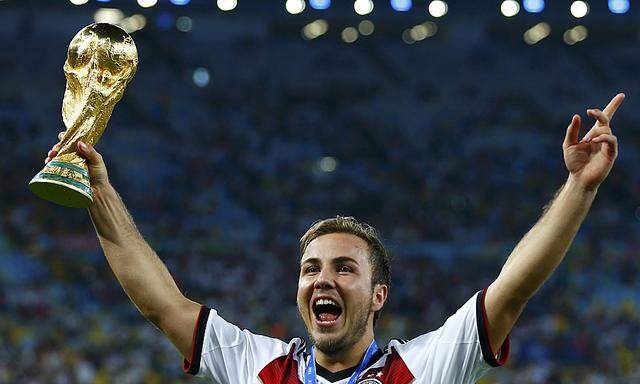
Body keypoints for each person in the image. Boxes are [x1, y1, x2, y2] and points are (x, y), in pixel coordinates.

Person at [44, 93, 625, 383]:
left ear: (378, 295)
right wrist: (97, 189)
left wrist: (578, 189)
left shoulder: (424, 366)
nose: (323, 278)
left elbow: (513, 287)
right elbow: (159, 302)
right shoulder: (262, 365)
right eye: (311, 268)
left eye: (345, 268)